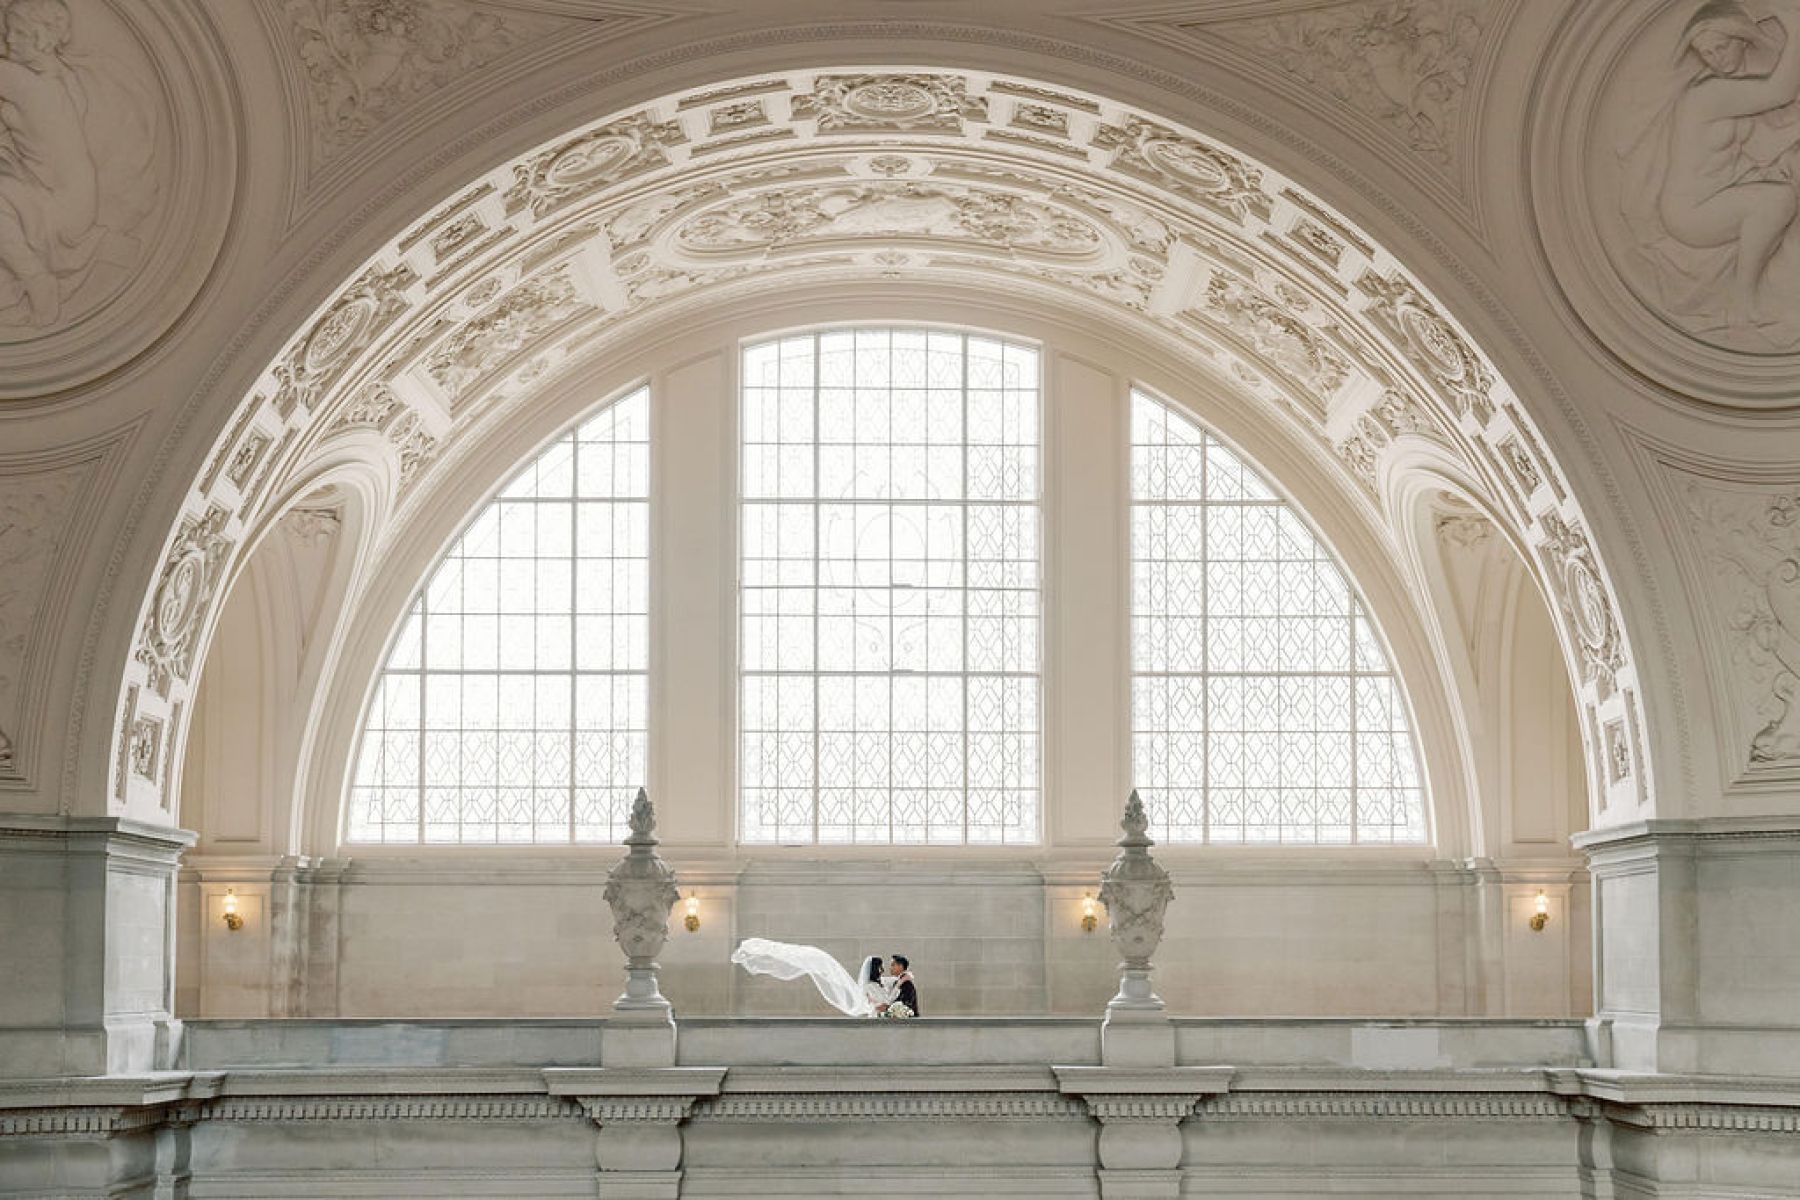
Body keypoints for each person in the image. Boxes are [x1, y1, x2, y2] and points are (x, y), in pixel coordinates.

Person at [1619, 0, 1800, 337]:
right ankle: (1743, 303)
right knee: (1777, 202)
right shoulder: (1708, 93)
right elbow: (1781, 91)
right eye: (1707, 53)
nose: (1716, 59)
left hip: (1714, 200)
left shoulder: (1731, 89)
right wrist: (1796, 30)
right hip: (1690, 213)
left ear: (1741, 39)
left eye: (1720, 47)